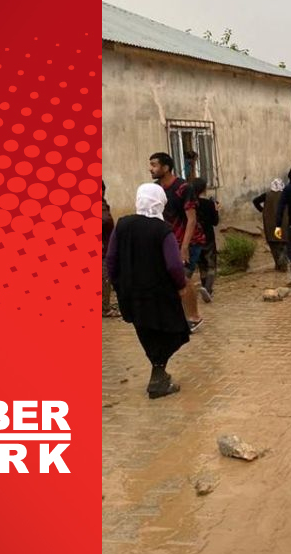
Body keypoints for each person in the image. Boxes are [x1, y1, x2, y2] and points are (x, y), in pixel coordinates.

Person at [106, 184, 191, 399]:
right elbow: (173, 264)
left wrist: (118, 284)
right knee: (171, 331)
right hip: (159, 294)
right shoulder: (162, 230)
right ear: (160, 201)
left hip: (131, 294)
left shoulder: (123, 224)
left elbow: (111, 258)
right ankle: (158, 378)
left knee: (146, 332)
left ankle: (158, 372)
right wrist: (181, 286)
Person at [149, 152, 204, 332]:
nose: (151, 169)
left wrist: (185, 247)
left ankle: (194, 317)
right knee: (169, 280)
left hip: (190, 240)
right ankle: (176, 316)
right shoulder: (155, 189)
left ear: (166, 167)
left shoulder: (183, 188)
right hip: (168, 241)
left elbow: (192, 219)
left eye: (154, 165)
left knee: (184, 277)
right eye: (150, 165)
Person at [189, 178, 219, 303]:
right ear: (203, 189)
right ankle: (208, 289)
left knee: (201, 265)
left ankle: (204, 287)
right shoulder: (208, 204)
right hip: (208, 238)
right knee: (211, 264)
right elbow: (215, 222)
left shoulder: (189, 204)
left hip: (195, 238)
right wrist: (216, 210)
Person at [252, 178, 290, 271]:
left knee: (273, 244)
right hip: (284, 223)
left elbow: (255, 201)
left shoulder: (267, 195)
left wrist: (262, 210)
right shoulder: (286, 195)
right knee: (285, 242)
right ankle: (283, 260)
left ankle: (278, 264)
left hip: (270, 223)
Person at [102, 181, 120, 318]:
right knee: (104, 278)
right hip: (103, 250)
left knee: (106, 278)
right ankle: (104, 308)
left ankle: (105, 306)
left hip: (107, 247)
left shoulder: (103, 204)